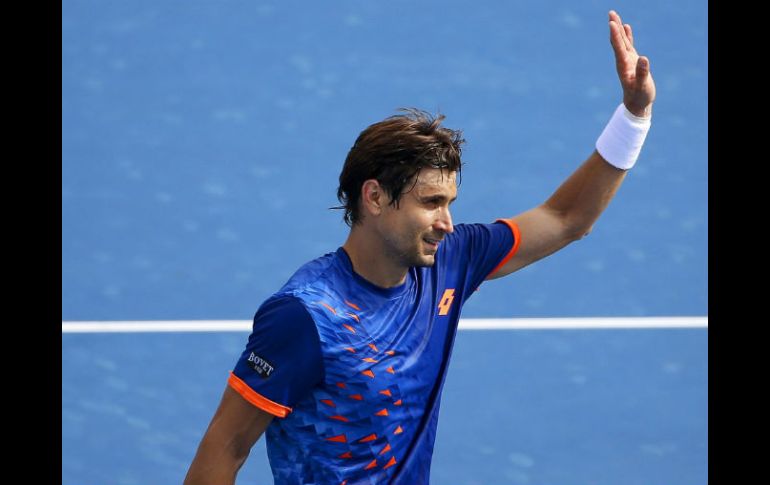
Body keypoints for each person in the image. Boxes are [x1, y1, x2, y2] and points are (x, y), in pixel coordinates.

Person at [184, 10, 655, 485]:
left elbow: (567, 219)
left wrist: (633, 117)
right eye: (430, 203)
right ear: (374, 198)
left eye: (450, 203)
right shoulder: (305, 316)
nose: (447, 223)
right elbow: (225, 447)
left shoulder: (449, 262)